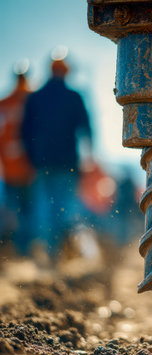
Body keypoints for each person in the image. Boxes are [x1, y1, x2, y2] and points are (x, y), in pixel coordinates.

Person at [21, 53, 92, 260]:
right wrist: (89, 158)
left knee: (44, 209)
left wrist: (31, 158)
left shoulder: (35, 97)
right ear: (66, 72)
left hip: (42, 163)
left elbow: (24, 132)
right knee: (64, 208)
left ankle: (48, 252)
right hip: (67, 163)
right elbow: (87, 129)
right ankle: (61, 253)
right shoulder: (73, 96)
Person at [0, 62, 35, 254]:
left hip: (17, 171)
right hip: (25, 171)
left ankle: (20, 250)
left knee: (17, 213)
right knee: (26, 213)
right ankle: (22, 250)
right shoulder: (32, 101)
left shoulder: (5, 103)